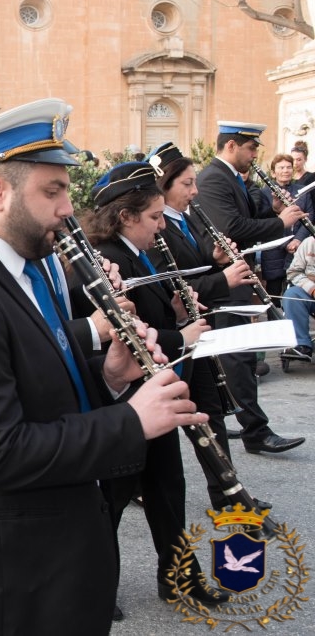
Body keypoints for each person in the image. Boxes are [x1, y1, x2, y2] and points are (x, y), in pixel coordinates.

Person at [0, 98, 207, 635]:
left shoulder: (25, 270)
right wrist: (133, 422)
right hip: (11, 580)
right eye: (54, 191)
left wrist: (111, 375)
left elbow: (39, 386)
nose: (69, 207)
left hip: (52, 556)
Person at [84, 162, 227, 610]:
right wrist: (181, 336)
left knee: (168, 491)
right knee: (112, 498)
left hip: (158, 389)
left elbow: (158, 314)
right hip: (127, 398)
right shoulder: (106, 256)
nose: (161, 226)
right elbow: (127, 328)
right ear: (126, 216)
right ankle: (95, 587)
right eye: (154, 217)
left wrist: (183, 315)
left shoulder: (141, 250)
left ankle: (179, 577)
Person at [146, 141, 261, 510]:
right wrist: (223, 280)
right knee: (167, 427)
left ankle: (229, 495)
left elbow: (193, 270)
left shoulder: (187, 218)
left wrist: (213, 260)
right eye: (187, 184)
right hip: (175, 335)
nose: (195, 191)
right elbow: (170, 289)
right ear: (165, 185)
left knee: (210, 413)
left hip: (199, 331)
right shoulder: (156, 226)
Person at [195, 121, 306, 455]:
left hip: (237, 276)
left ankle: (236, 421)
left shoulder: (232, 177)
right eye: (251, 148)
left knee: (234, 357)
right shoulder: (214, 177)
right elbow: (231, 226)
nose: (256, 154)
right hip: (225, 280)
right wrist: (280, 223)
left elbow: (245, 216)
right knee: (237, 358)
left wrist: (271, 209)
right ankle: (255, 430)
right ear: (232, 146)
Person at [257, 153, 304, 300]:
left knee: (297, 294)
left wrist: (298, 240)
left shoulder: (303, 191)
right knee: (274, 294)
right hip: (274, 250)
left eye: (289, 167)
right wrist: (286, 243)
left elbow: (310, 215)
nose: (285, 170)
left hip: (298, 249)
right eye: (281, 167)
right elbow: (265, 220)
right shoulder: (264, 193)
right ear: (273, 172)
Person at [281, 235, 315, 360]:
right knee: (292, 295)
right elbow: (293, 272)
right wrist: (312, 289)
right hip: (311, 293)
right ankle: (302, 345)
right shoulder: (310, 242)